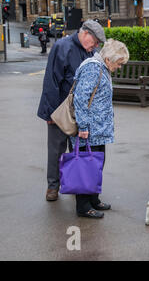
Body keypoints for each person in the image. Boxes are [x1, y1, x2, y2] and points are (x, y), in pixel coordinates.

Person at [37, 20, 106, 202]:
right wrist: (50, 112)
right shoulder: (62, 46)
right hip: (60, 109)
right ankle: (53, 186)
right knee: (56, 149)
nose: (96, 46)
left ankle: (76, 184)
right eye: (95, 41)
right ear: (85, 33)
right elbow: (51, 81)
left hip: (81, 112)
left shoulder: (91, 51)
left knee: (78, 151)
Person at [72, 39, 129, 218]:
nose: (119, 67)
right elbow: (80, 98)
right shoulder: (93, 68)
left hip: (98, 129)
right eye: (119, 63)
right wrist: (82, 126)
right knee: (86, 167)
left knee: (96, 164)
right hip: (88, 129)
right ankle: (83, 206)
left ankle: (93, 199)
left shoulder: (101, 68)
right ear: (109, 59)